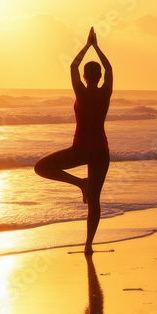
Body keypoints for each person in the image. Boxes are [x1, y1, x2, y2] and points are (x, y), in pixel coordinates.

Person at [35, 27, 112, 255]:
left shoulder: (81, 92)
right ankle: (88, 244)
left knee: (41, 167)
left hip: (81, 149)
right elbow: (108, 67)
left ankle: (80, 183)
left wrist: (87, 46)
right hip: (101, 151)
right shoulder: (105, 92)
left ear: (86, 77)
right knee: (95, 200)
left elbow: (72, 66)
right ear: (98, 77)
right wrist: (97, 47)